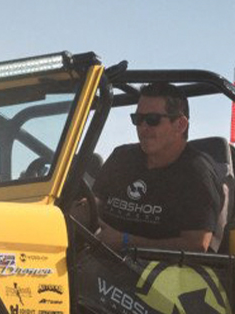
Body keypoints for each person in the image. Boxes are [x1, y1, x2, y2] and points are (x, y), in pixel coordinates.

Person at [93, 82, 222, 253]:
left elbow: (197, 245)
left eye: (152, 120)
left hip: (163, 275)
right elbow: (91, 205)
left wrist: (125, 241)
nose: (143, 128)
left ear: (180, 125)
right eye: (137, 119)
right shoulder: (121, 157)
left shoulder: (197, 173)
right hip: (97, 263)